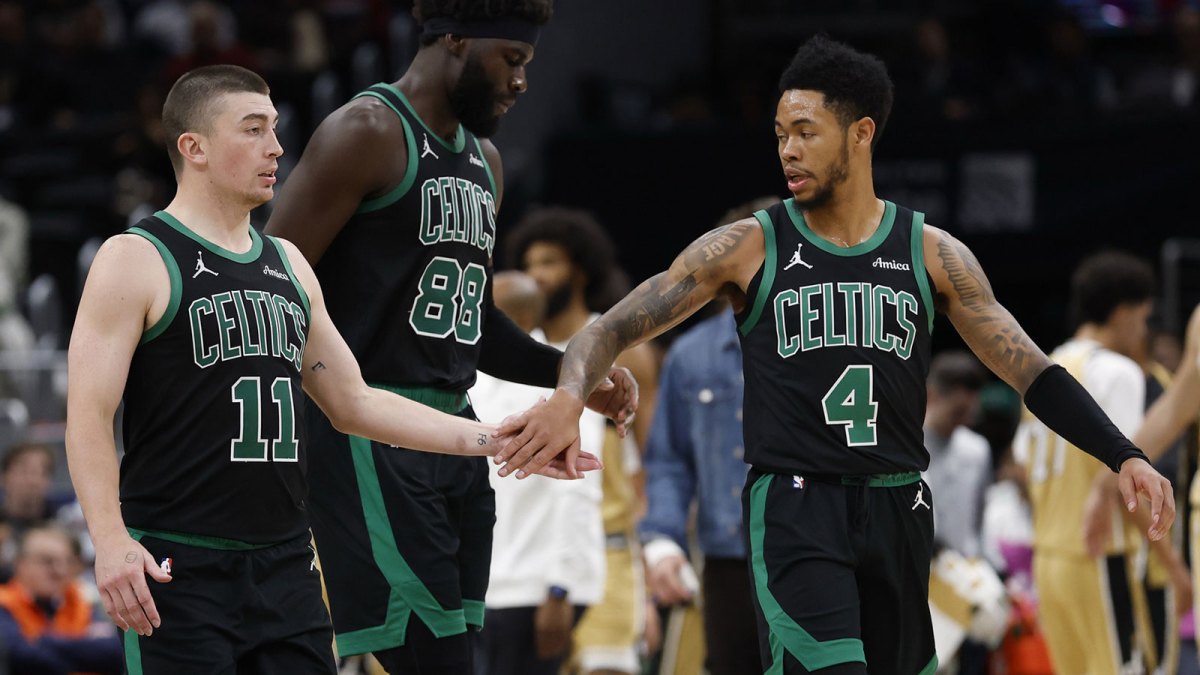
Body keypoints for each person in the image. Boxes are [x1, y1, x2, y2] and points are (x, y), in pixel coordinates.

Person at [494, 35, 1175, 674]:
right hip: (796, 506)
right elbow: (606, 329)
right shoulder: (746, 246)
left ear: (861, 133)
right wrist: (565, 398)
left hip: (899, 503)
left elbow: (1030, 369)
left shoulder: (933, 253)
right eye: (780, 135)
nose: (787, 150)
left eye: (805, 133)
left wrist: (1125, 453)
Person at [64, 64, 592, 675]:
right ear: (194, 147)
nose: (276, 147)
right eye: (254, 129)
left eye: (276, 128)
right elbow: (88, 413)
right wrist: (109, 540)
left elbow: (356, 403)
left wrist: (498, 440)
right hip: (180, 564)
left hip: (287, 564)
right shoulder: (135, 257)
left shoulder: (288, 263)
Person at [263, 1, 636, 671]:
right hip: (370, 434)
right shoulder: (366, 131)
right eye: (512, 60)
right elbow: (271, 281)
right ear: (455, 39)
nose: (521, 82)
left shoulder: (483, 161)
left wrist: (574, 378)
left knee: (460, 655)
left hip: (455, 434)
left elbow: (476, 327)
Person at [1014, 251, 1187, 675]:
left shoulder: (1047, 368)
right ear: (1124, 313)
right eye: (1143, 318)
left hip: (1050, 557)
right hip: (1101, 555)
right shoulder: (1116, 371)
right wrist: (1175, 568)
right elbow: (1130, 481)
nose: (1143, 331)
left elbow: (1021, 463)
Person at [503, 207, 659, 675]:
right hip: (528, 555)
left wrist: (650, 567)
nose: (537, 276)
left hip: (607, 549)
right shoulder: (514, 353)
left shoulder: (624, 350)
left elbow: (649, 460)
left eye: (549, 263)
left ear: (580, 268)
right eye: (529, 265)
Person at [471, 267, 605, 675]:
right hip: (484, 585)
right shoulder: (471, 380)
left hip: (539, 587)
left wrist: (560, 589)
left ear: (510, 320)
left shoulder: (565, 385)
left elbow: (578, 490)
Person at [0, 525, 122, 674]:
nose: (60, 571)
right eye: (47, 561)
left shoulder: (81, 600)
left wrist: (42, 642)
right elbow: (17, 656)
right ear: (20, 564)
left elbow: (115, 651)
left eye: (67, 562)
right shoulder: (4, 602)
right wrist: (85, 646)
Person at [922, 351, 991, 558]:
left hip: (962, 566)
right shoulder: (908, 445)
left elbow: (979, 516)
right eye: (957, 411)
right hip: (917, 563)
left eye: (970, 413)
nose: (963, 420)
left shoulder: (977, 449)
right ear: (932, 395)